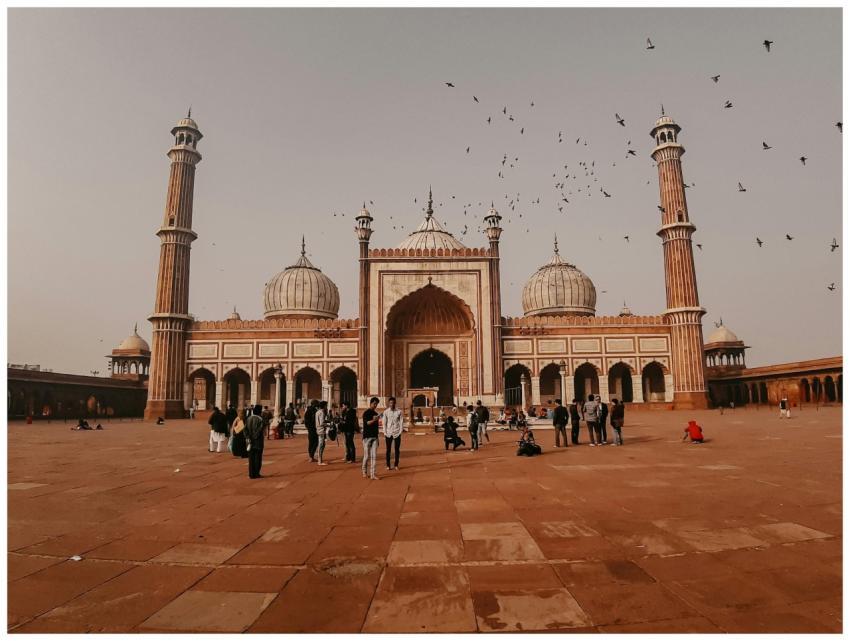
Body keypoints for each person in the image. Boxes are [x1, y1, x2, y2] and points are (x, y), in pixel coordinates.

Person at [362, 397, 380, 480]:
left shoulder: (376, 413)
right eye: (374, 403)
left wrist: (377, 438)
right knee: (366, 456)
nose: (375, 405)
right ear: (371, 403)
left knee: (374, 456)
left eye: (377, 404)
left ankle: (373, 474)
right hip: (367, 437)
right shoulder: (366, 413)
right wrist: (374, 420)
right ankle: (364, 472)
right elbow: (367, 423)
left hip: (374, 437)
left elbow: (376, 427)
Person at [244, 405, 265, 478]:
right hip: (258, 441)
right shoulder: (260, 419)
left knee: (251, 458)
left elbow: (245, 429)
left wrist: (248, 437)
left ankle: (251, 474)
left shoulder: (248, 418)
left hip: (249, 441)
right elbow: (260, 430)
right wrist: (255, 437)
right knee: (258, 458)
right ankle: (256, 473)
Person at [383, 396, 404, 470]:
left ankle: (396, 465)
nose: (392, 404)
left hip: (397, 432)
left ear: (395, 403)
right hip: (388, 433)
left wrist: (400, 432)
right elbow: (384, 423)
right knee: (388, 450)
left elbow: (401, 422)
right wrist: (385, 432)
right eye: (390, 403)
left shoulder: (399, 411)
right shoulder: (386, 412)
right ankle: (388, 465)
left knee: (397, 450)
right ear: (389, 403)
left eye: (393, 403)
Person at [315, 400, 329, 466]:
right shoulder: (322, 412)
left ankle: (320, 459)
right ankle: (319, 461)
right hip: (321, 430)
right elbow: (322, 423)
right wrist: (329, 425)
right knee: (321, 445)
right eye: (326, 406)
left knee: (322, 445)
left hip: (318, 429)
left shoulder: (318, 412)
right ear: (324, 406)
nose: (327, 407)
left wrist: (328, 421)